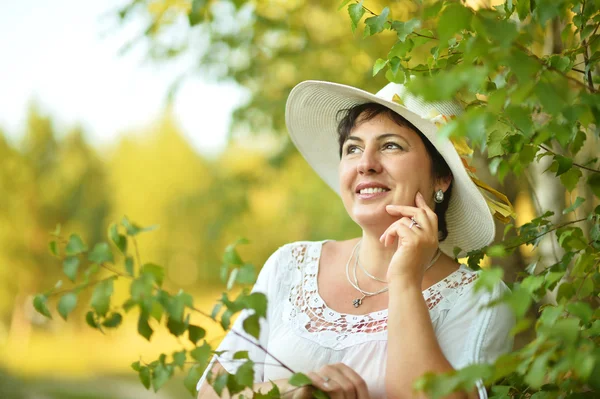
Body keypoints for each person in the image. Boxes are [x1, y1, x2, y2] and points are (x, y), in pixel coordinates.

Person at [196, 80, 515, 399]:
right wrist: (294, 391)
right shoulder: (290, 265)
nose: (365, 164)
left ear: (441, 176)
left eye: (391, 145)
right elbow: (213, 391)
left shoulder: (479, 298)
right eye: (353, 148)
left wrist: (405, 281)